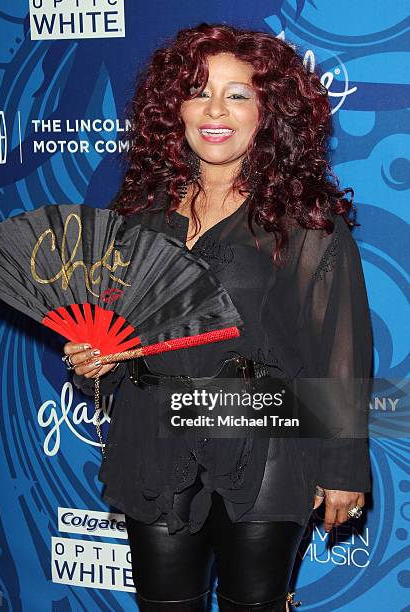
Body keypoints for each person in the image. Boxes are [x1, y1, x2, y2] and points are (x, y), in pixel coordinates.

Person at [61, 24, 373, 612]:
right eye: (199, 91)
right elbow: (110, 332)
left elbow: (340, 347)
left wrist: (342, 467)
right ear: (173, 107)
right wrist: (93, 361)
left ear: (267, 110)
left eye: (238, 94)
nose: (215, 110)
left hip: (263, 442)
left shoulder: (303, 219)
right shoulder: (139, 211)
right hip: (152, 438)